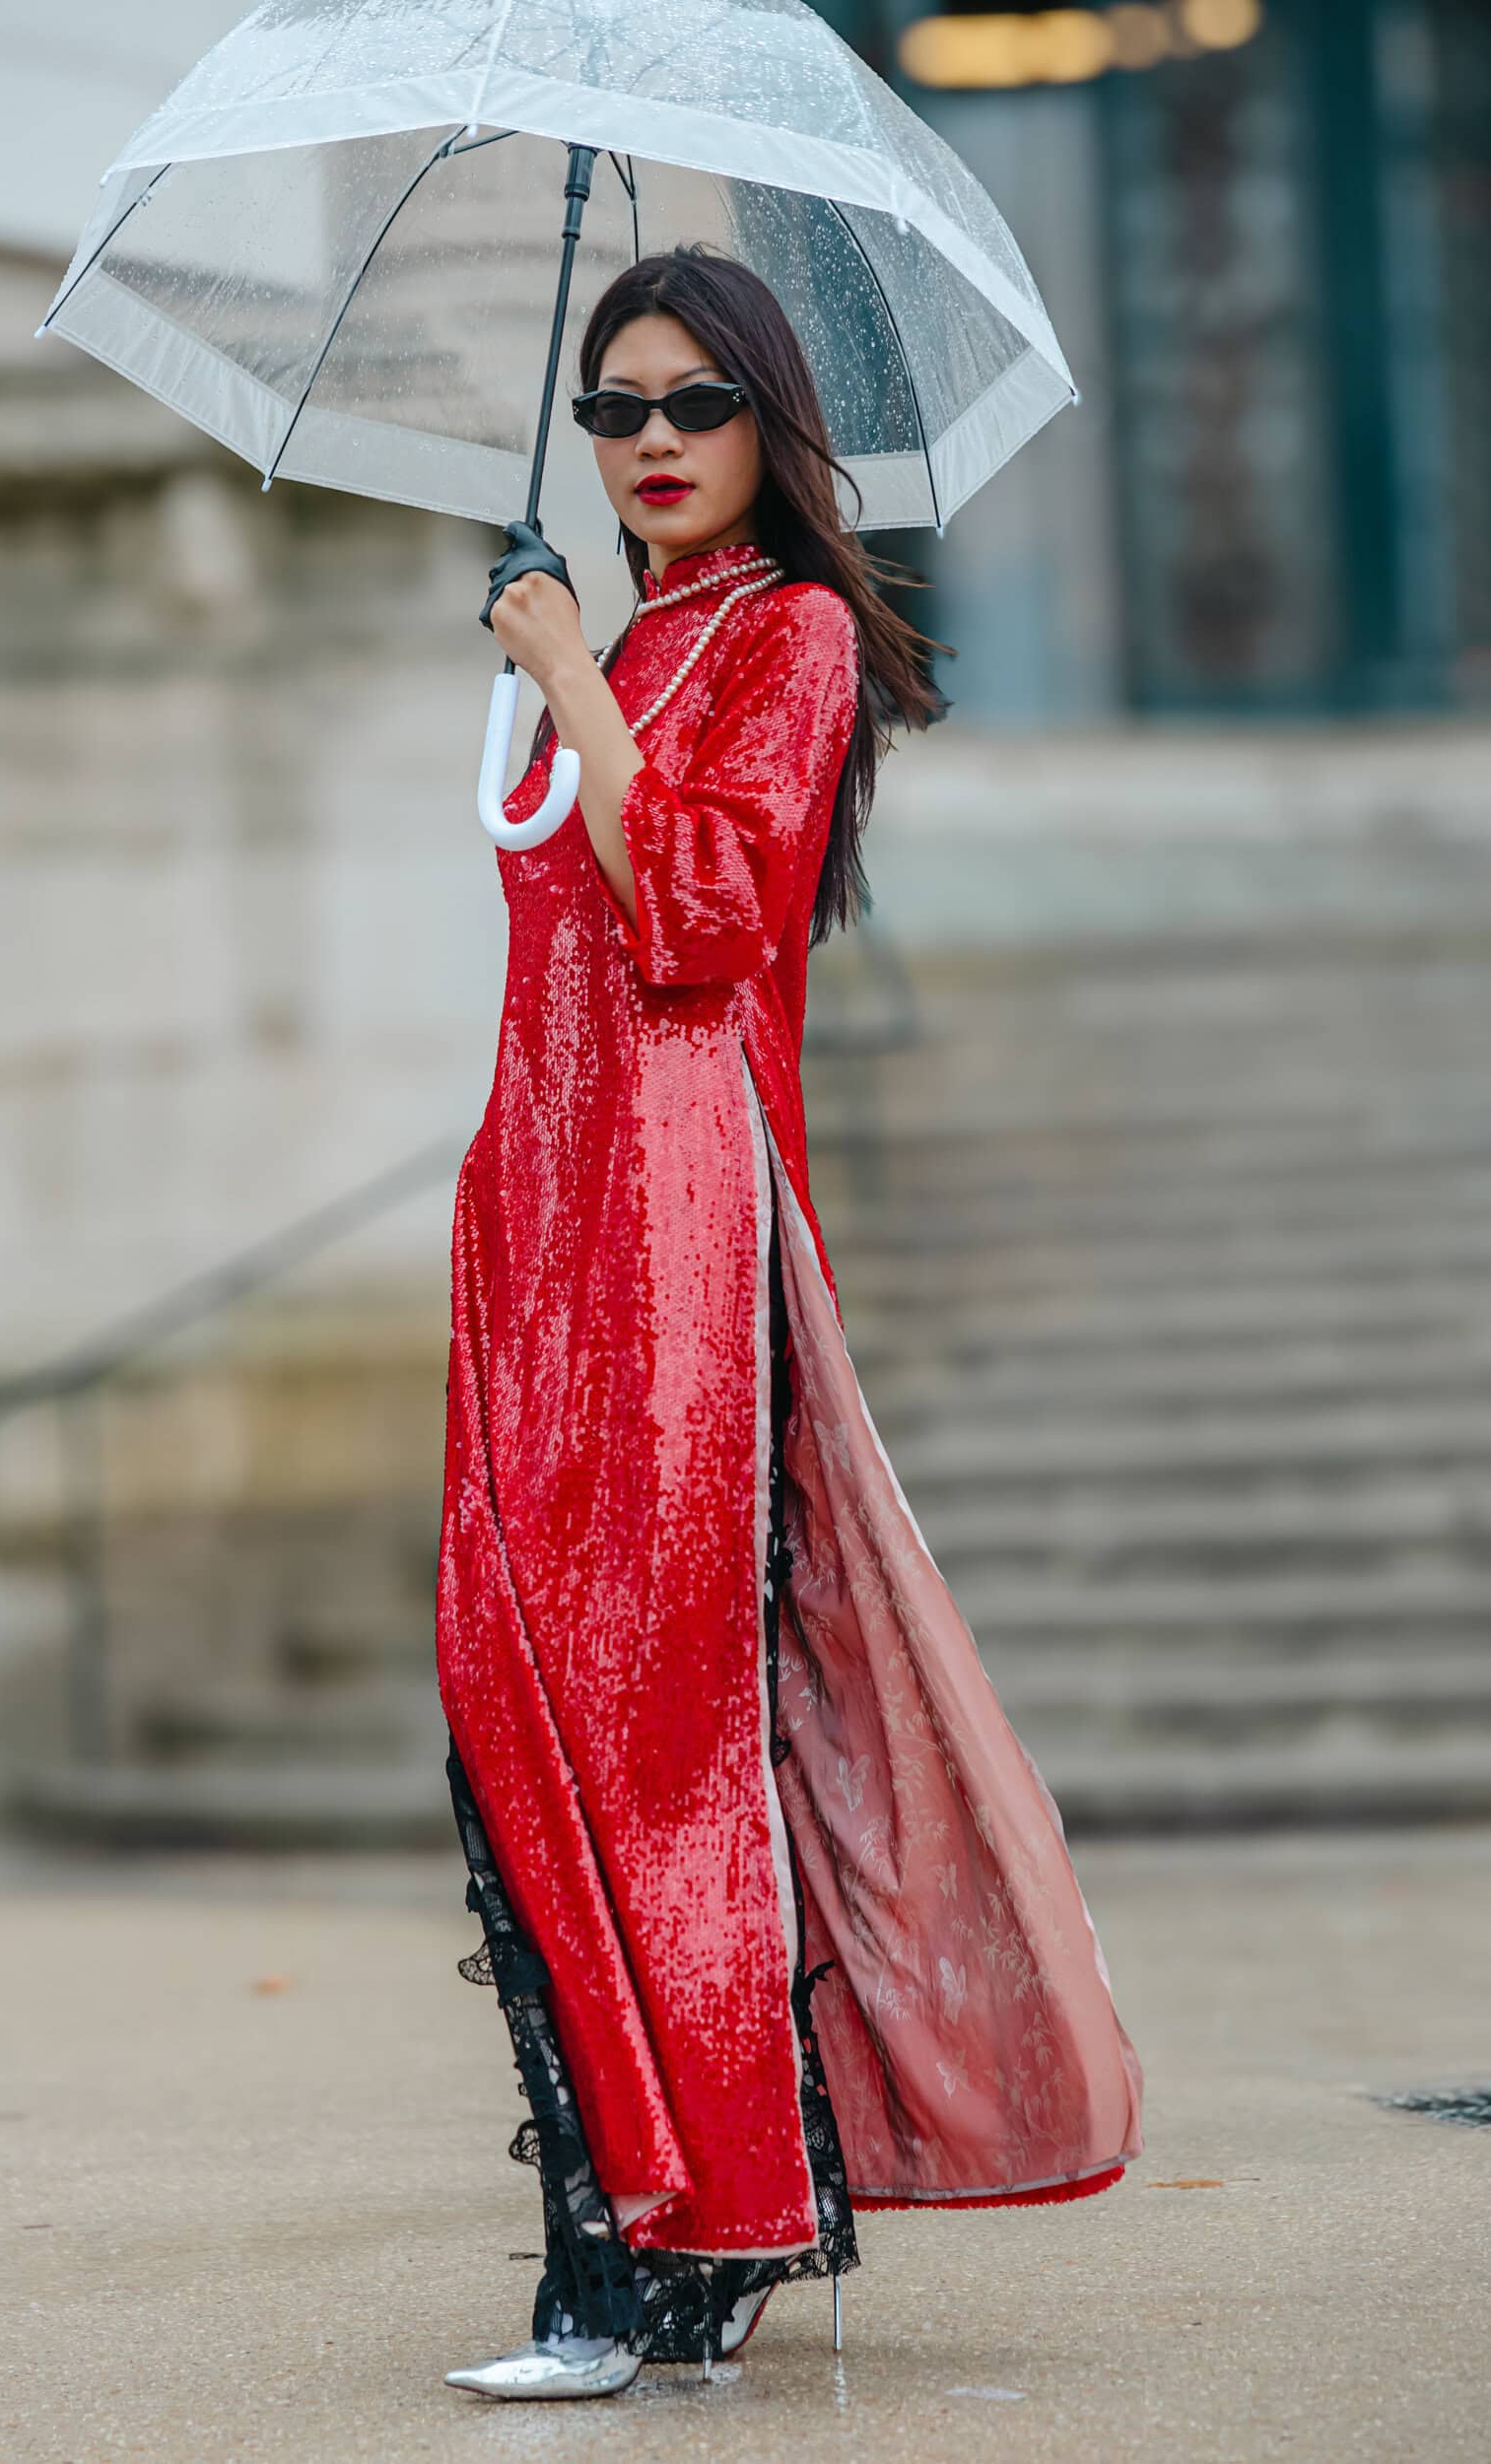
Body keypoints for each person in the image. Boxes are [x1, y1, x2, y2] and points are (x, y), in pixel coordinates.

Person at [435, 243, 1145, 2403]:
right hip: (538, 1214)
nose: (650, 443)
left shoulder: (794, 631)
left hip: (675, 1228)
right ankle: (641, 2218)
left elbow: (711, 919)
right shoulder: (634, 631)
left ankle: (672, 2249)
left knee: (657, 1725)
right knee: (509, 1700)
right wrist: (572, 667)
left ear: (768, 423)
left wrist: (565, 678)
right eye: (615, 408)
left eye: (692, 405)